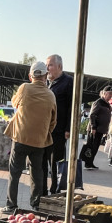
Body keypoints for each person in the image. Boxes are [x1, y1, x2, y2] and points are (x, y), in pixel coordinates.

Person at [2, 61, 56, 214]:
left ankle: (11, 206)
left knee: (15, 173)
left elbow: (15, 102)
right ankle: (36, 204)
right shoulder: (51, 95)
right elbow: (53, 120)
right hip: (39, 141)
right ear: (46, 76)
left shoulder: (25, 88)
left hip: (21, 138)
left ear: (30, 76)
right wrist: (43, 132)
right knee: (36, 173)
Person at [46, 53, 73, 195]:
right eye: (47, 65)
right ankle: (43, 189)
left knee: (56, 161)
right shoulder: (48, 82)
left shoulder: (68, 82)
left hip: (59, 130)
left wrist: (68, 128)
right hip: (45, 129)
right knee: (44, 160)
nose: (47, 68)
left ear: (59, 66)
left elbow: (71, 107)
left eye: (50, 65)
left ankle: (56, 188)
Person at [84, 86, 112, 169]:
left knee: (95, 147)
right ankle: (87, 162)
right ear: (104, 93)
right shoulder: (98, 102)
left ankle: (91, 162)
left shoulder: (107, 104)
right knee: (91, 146)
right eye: (109, 94)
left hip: (101, 129)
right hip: (95, 129)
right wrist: (93, 127)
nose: (110, 96)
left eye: (111, 94)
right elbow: (92, 115)